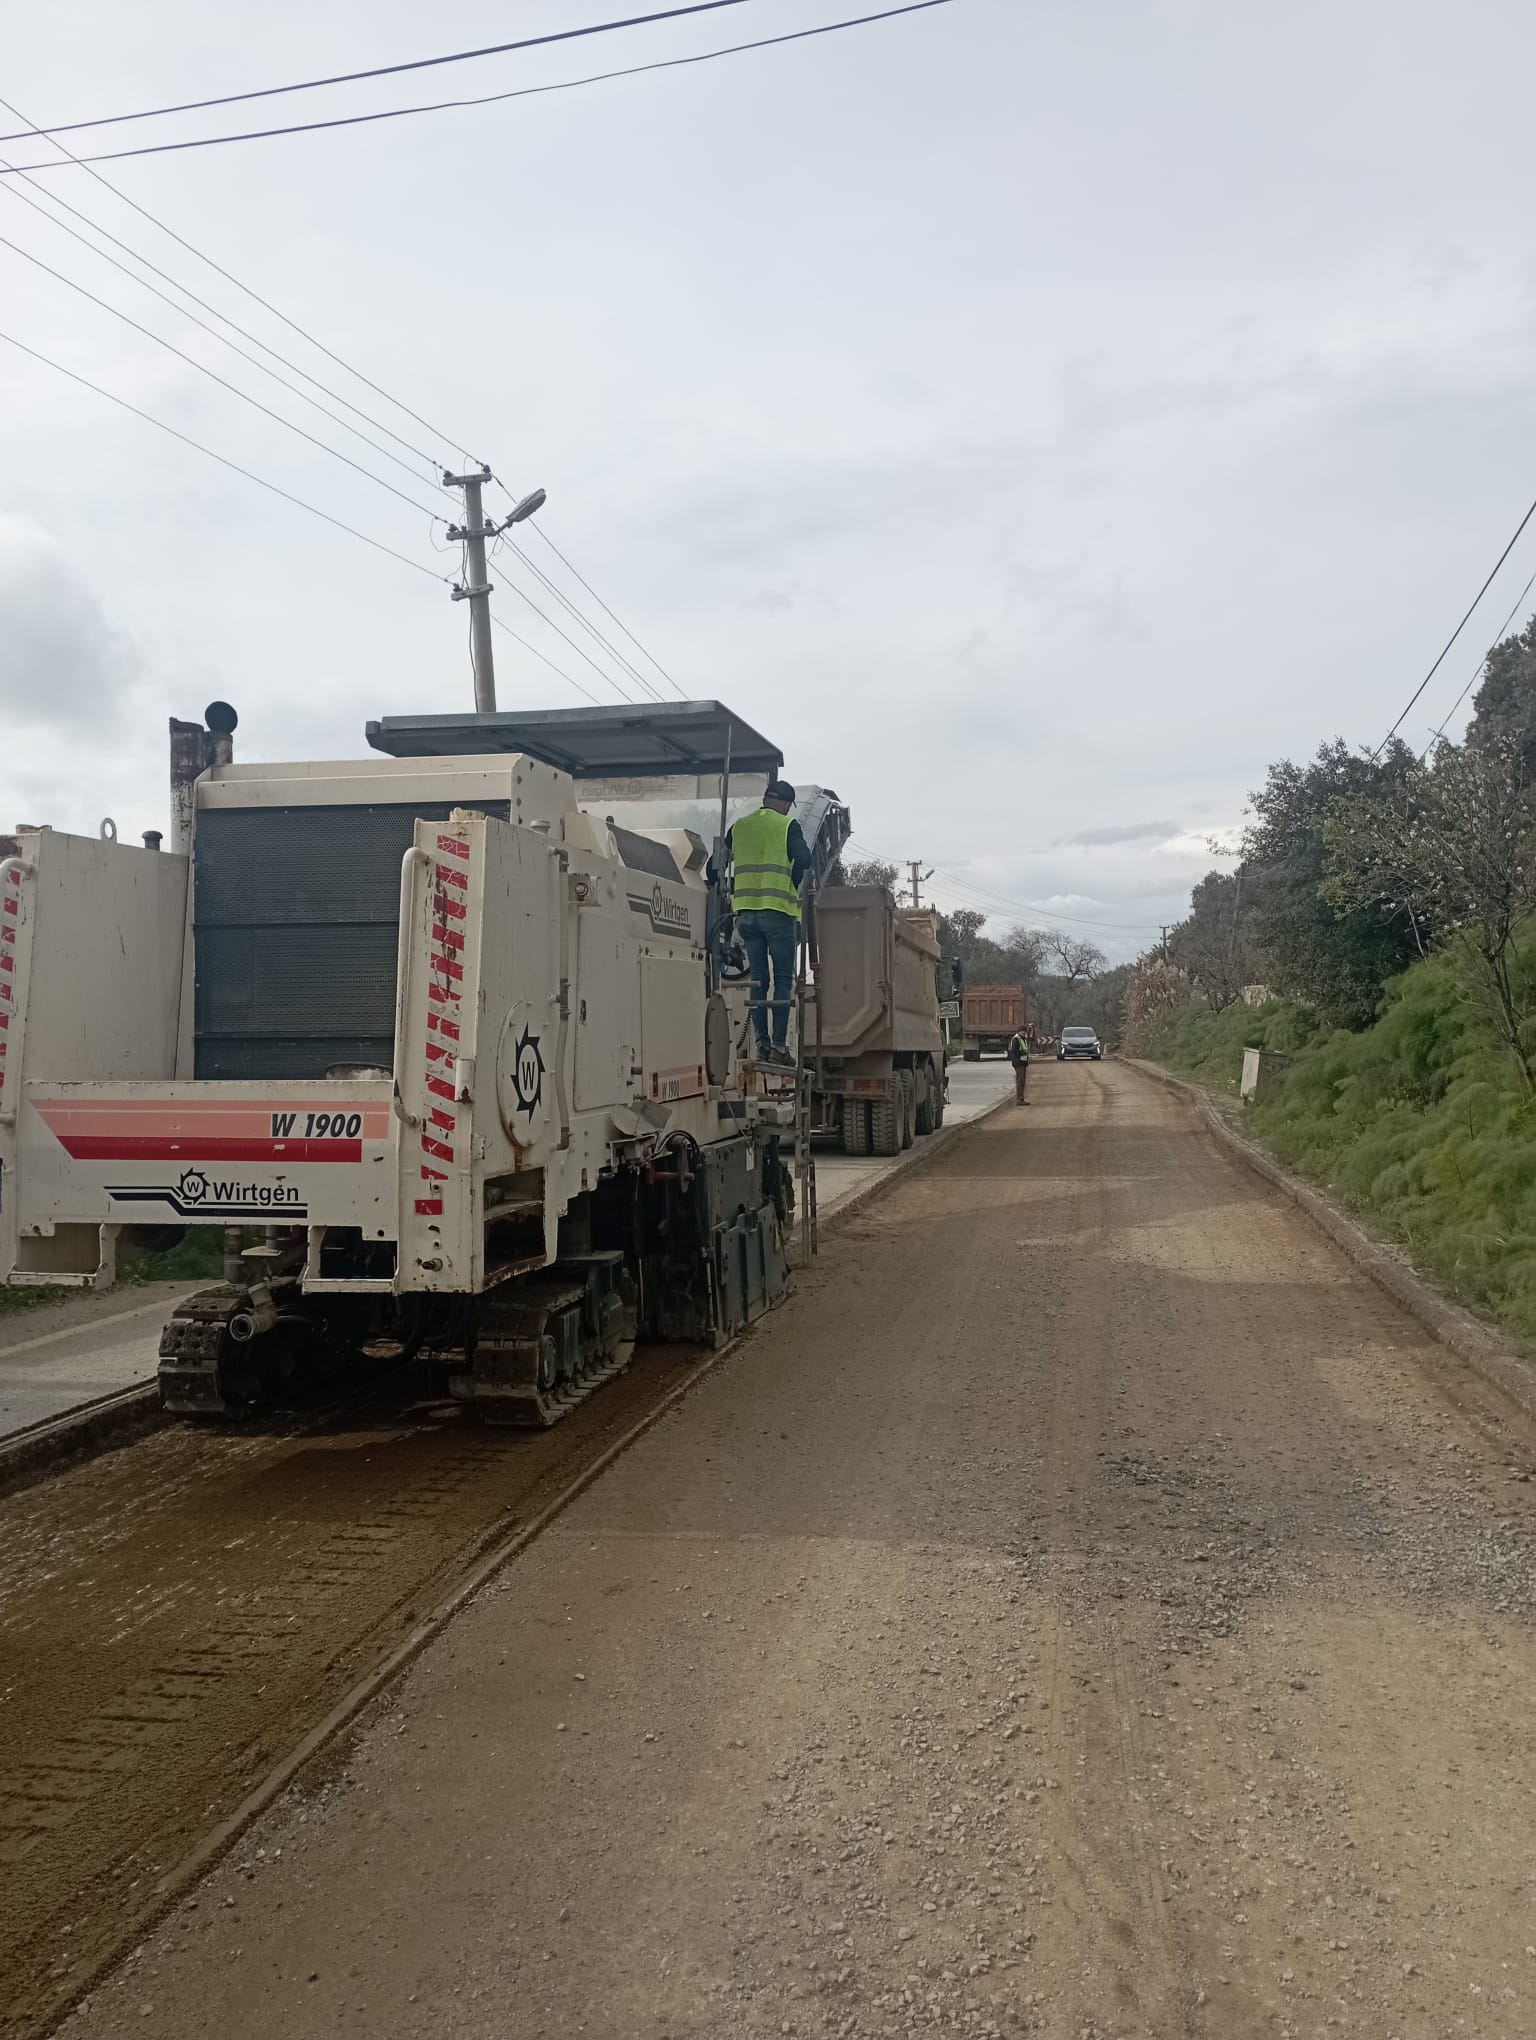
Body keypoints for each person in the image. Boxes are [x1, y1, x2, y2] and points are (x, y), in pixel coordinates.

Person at [714, 780, 811, 1065]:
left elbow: (714, 865)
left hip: (745, 915)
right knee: (781, 978)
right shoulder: (787, 826)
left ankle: (761, 1044)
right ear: (785, 804)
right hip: (777, 912)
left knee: (758, 978)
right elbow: (804, 858)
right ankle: (780, 1047)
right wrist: (792, 884)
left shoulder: (740, 827)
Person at [1007, 1026, 1031, 1103]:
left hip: (1022, 1062)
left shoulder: (1023, 1039)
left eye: (1024, 1031)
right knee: (1020, 1081)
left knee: (1022, 1081)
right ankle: (1019, 1099)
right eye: (1022, 1031)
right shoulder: (1016, 1039)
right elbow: (1015, 1051)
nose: (1023, 1032)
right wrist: (1024, 1052)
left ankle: (1021, 1098)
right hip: (1018, 1062)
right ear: (1019, 1031)